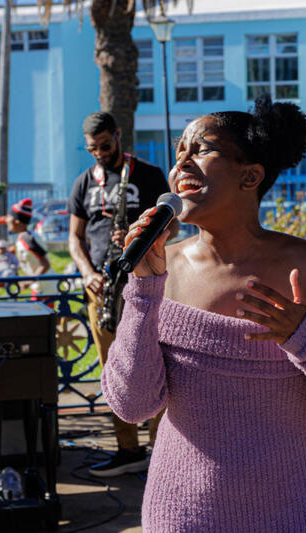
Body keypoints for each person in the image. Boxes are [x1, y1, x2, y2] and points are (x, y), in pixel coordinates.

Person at [102, 95, 306, 531]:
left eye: (201, 149)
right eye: (179, 152)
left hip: (295, 515)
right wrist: (142, 290)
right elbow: (132, 405)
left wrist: (304, 339)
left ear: (250, 175)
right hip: (183, 516)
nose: (182, 163)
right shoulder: (160, 269)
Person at [67, 111, 173, 477]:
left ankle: (162, 452)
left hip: (147, 284)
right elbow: (74, 238)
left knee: (158, 366)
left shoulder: (149, 175)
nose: (99, 153)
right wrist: (87, 273)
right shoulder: (84, 182)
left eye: (105, 145)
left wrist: (138, 236)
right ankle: (128, 450)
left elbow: (172, 228)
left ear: (118, 135)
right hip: (103, 290)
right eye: (92, 149)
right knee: (113, 370)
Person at [6, 198, 55, 297]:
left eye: (9, 216)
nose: (6, 220)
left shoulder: (27, 239)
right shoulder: (23, 237)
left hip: (45, 290)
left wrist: (29, 282)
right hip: (39, 287)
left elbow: (45, 264)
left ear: (17, 221)